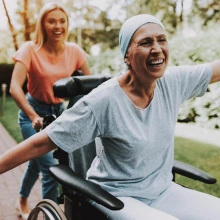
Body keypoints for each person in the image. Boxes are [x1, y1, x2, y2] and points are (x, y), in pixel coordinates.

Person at [1, 13, 220, 219]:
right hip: (117, 195)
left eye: (161, 40)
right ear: (127, 55)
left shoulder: (173, 81)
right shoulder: (103, 101)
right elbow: (41, 144)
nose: (157, 49)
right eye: (145, 42)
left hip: (163, 190)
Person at [9, 2, 91, 219]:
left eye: (62, 21)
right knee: (51, 170)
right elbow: (14, 87)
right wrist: (32, 115)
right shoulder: (29, 49)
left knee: (37, 164)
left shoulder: (74, 51)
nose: (58, 26)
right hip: (32, 115)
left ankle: (22, 200)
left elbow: (91, 86)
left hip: (59, 115)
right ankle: (49, 216)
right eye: (52, 21)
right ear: (43, 24)